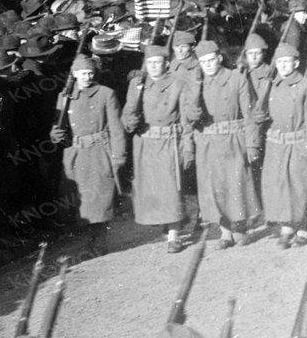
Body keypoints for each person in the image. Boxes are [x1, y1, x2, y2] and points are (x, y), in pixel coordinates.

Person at [48, 50, 125, 255]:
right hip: (76, 154)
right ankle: (91, 239)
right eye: (83, 74)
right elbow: (60, 128)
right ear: (74, 74)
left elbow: (116, 127)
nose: (87, 77)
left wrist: (118, 155)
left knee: (100, 199)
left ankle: (98, 243)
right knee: (81, 200)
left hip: (99, 151)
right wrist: (55, 134)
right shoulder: (64, 98)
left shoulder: (105, 93)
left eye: (90, 73)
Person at [124, 42, 197, 252]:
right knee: (153, 189)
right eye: (150, 62)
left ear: (167, 63)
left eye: (158, 62)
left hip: (168, 142)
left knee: (171, 188)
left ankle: (174, 234)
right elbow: (128, 122)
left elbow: (185, 120)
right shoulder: (138, 84)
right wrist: (135, 95)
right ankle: (167, 224)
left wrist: (187, 147)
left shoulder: (177, 83)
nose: (154, 66)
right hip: (145, 143)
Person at [259, 42, 307, 249]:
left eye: (288, 62)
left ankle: (302, 227)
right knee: (279, 187)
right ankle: (287, 227)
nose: (284, 66)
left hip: (298, 143)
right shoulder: (270, 85)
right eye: (280, 62)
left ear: (296, 62)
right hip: (276, 144)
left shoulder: (306, 85)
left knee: (299, 187)